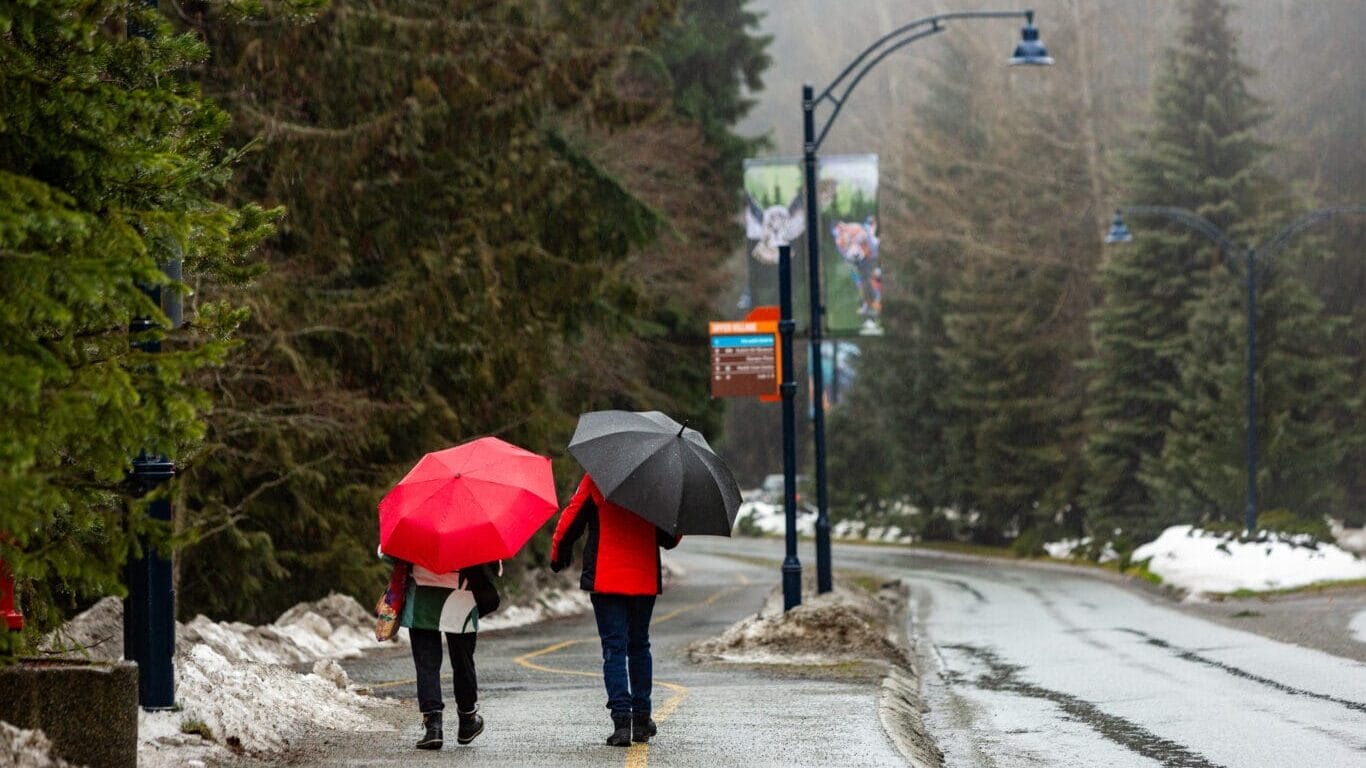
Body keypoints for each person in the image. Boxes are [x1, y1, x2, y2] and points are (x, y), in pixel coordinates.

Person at [550, 473, 681, 747]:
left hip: (606, 577)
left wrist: (558, 553)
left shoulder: (597, 477)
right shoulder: (657, 481)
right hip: (643, 577)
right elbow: (669, 538)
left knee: (614, 648)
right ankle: (642, 720)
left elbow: (571, 519)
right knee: (639, 645)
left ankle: (622, 722)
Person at [380, 552, 500, 750]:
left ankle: (433, 727)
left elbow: (388, 555)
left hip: (421, 598)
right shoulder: (470, 525)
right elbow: (492, 563)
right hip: (461, 597)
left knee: (427, 663)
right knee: (463, 661)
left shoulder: (414, 523)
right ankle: (467, 720)